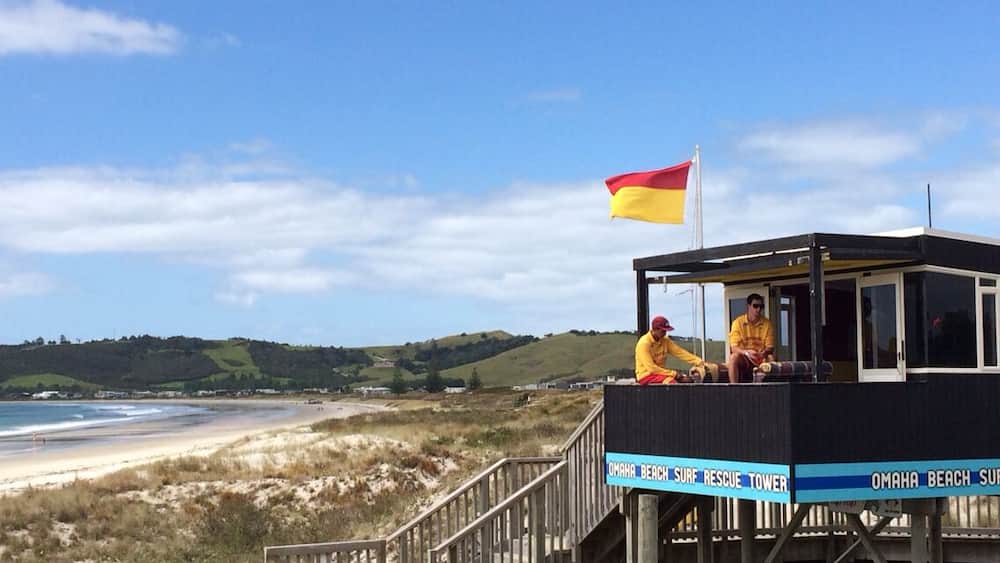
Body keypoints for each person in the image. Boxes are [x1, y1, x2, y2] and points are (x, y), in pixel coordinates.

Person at [635, 315, 704, 385]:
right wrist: (675, 374)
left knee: (686, 380)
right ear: (655, 329)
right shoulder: (644, 344)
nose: (665, 333)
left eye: (666, 331)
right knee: (671, 382)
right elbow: (651, 368)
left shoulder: (665, 340)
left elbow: (680, 352)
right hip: (646, 375)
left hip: (661, 373)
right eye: (663, 331)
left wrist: (699, 362)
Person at [727, 293, 775, 383]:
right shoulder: (737, 323)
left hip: (761, 358)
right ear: (748, 306)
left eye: (761, 306)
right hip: (745, 358)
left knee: (771, 358)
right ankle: (734, 388)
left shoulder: (767, 324)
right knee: (733, 357)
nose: (758, 309)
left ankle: (771, 389)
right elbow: (734, 348)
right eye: (755, 306)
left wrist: (763, 353)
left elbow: (770, 347)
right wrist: (747, 353)